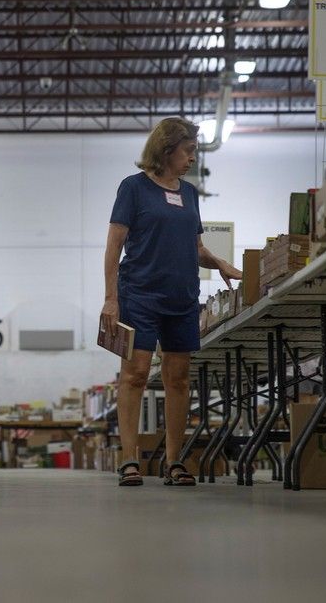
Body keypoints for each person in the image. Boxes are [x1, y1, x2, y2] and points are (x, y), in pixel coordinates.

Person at [102, 117, 242, 487]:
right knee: (134, 375)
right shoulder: (133, 188)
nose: (193, 158)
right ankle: (129, 459)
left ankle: (174, 461)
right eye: (189, 150)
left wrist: (220, 262)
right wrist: (110, 299)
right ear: (167, 150)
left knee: (178, 379)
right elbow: (114, 245)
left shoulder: (190, 193)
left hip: (182, 298)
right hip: (139, 295)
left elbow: (195, 249)